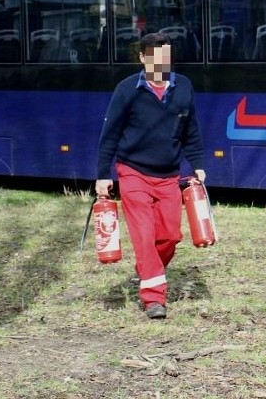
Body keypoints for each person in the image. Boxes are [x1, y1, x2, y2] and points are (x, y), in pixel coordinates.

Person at [95, 32, 206, 320]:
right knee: (144, 236)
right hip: (132, 172)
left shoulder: (184, 87)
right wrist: (103, 175)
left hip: (169, 175)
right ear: (142, 58)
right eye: (154, 56)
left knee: (169, 236)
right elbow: (110, 135)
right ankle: (154, 299)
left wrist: (197, 163)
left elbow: (190, 130)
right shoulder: (126, 89)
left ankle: (147, 269)